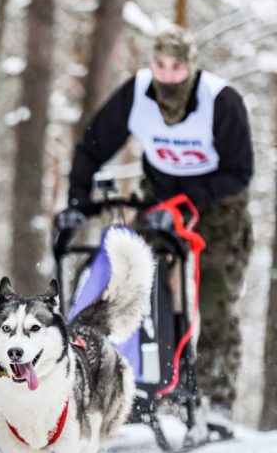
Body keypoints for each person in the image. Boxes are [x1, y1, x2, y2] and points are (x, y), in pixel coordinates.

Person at [66, 25, 254, 421]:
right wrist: (79, 199)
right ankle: (149, 382)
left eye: (176, 67)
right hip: (160, 199)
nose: (167, 75)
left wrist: (192, 204)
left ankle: (215, 399)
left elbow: (240, 171)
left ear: (190, 68)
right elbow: (93, 144)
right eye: (160, 66)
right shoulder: (137, 95)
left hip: (217, 208)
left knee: (216, 298)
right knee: (138, 282)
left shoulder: (220, 101)